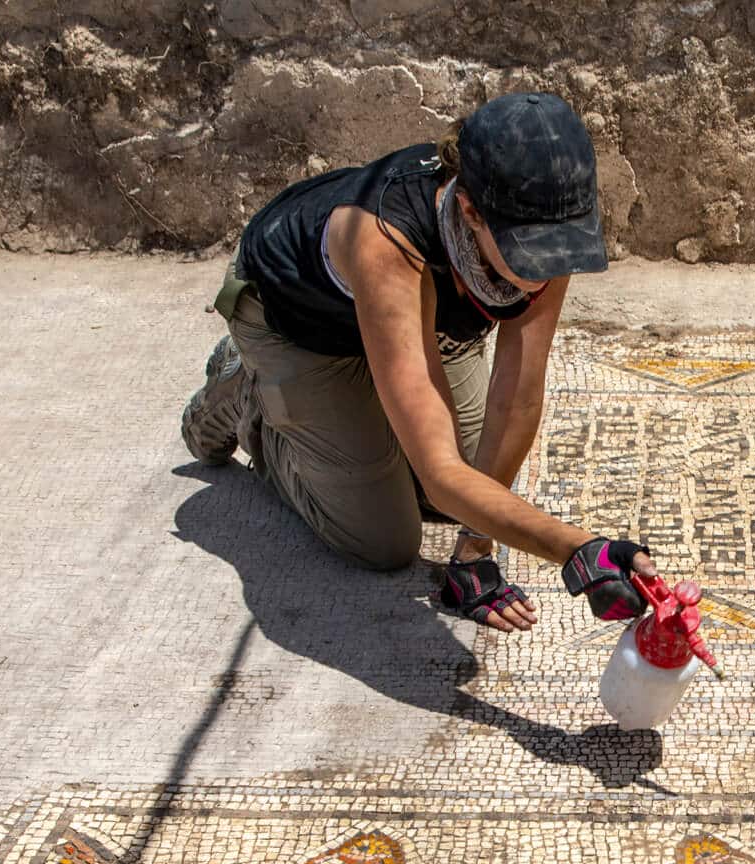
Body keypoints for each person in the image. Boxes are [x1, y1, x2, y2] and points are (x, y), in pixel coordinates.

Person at [181, 91, 655, 633]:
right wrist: (578, 549)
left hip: (414, 322)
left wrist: (475, 551)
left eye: (565, 246)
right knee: (382, 540)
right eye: (534, 250)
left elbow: (518, 397)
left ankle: (368, 411)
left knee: (475, 494)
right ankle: (247, 392)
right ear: (471, 211)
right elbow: (441, 469)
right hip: (298, 325)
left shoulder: (544, 214)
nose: (551, 266)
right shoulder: (388, 240)